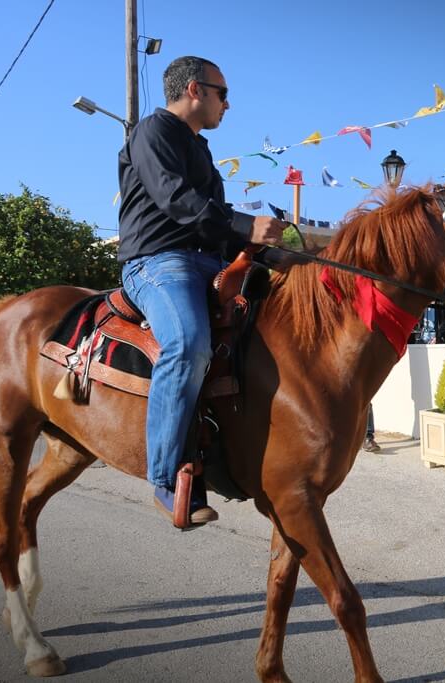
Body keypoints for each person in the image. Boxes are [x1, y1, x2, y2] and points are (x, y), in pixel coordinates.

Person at [119, 56, 287, 525]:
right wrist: (245, 224)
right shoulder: (153, 132)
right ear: (196, 89)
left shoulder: (202, 147)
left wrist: (267, 248)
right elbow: (176, 199)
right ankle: (167, 477)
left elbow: (213, 219)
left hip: (208, 262)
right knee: (189, 344)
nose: (227, 104)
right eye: (222, 93)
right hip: (158, 261)